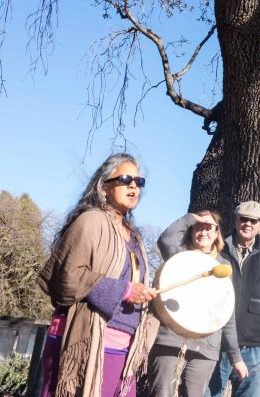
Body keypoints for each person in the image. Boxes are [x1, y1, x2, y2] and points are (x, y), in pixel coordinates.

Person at [37, 152, 159, 397]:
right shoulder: (90, 221)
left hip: (123, 346)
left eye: (139, 181)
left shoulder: (134, 237)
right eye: (125, 179)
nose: (134, 185)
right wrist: (125, 291)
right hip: (81, 341)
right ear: (104, 187)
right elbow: (68, 276)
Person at [147, 211, 248, 397]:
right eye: (198, 228)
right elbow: (166, 240)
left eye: (209, 228)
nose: (203, 232)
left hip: (205, 349)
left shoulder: (223, 267)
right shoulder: (178, 255)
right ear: (191, 231)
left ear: (217, 232)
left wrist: (236, 357)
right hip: (170, 341)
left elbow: (227, 314)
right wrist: (192, 218)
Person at [208, 201, 260, 397]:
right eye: (244, 219)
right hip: (217, 343)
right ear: (235, 220)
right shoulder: (216, 250)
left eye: (254, 221)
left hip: (255, 347)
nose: (248, 224)